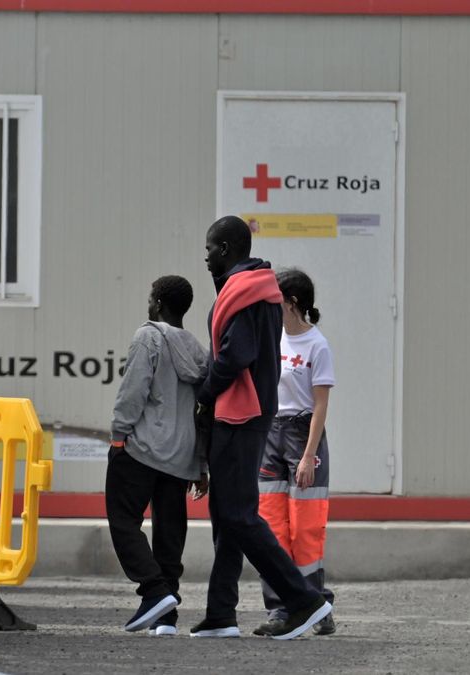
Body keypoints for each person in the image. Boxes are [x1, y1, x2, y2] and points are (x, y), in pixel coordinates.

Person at [189, 216, 332, 640]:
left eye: (210, 248)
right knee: (226, 515)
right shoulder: (252, 288)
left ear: (226, 248)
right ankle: (221, 614)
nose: (205, 256)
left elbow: (235, 356)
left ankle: (303, 600)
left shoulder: (248, 291)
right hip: (246, 417)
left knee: (239, 515)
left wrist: (205, 391)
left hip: (241, 416)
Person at [106, 275, 210, 636]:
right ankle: (167, 617)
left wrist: (118, 436)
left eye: (151, 298)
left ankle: (154, 591)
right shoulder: (198, 351)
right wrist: (201, 464)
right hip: (181, 456)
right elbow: (203, 412)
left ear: (160, 304)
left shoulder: (147, 336)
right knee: (170, 531)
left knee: (123, 520)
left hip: (142, 449)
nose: (148, 304)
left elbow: (133, 391)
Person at [254, 269, 337, 636]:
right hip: (271, 432)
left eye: (276, 297)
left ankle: (315, 605)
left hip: (304, 436)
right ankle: (279, 609)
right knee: (271, 528)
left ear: (292, 302)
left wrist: (307, 456)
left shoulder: (317, 345)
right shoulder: (272, 338)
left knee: (305, 530)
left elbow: (320, 406)